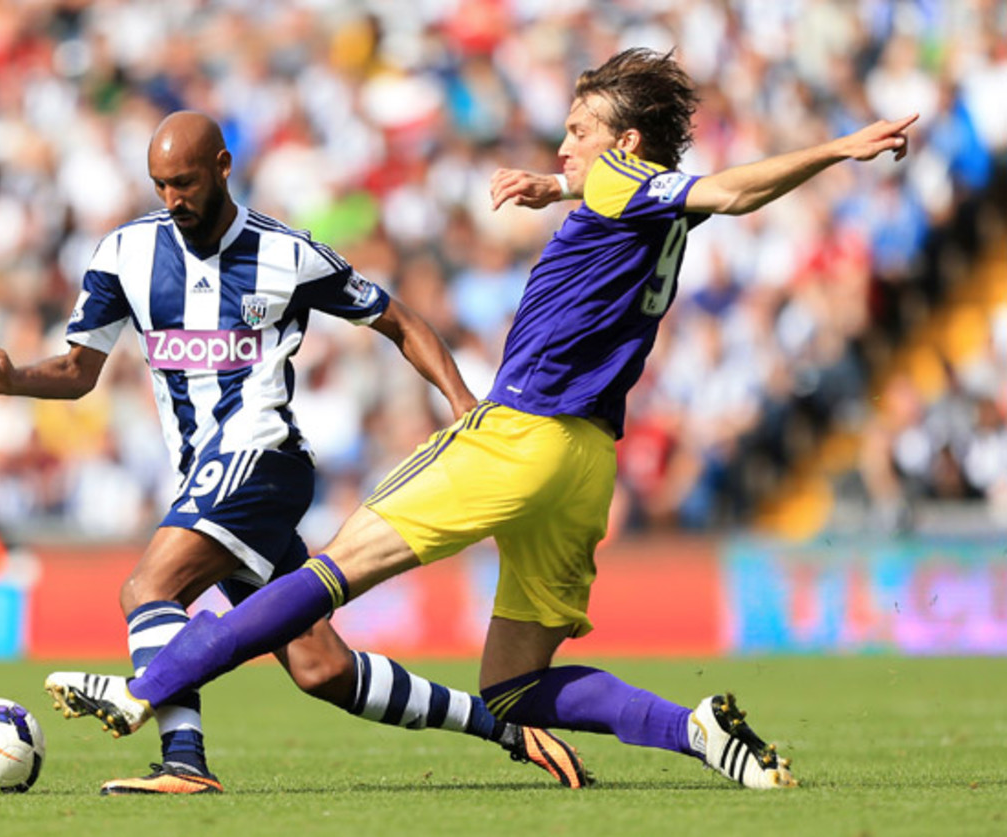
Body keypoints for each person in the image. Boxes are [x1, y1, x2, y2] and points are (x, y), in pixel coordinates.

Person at [48, 49, 918, 790]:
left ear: (624, 141)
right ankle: (698, 730)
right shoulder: (633, 199)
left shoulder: (625, 178)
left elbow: (724, 194)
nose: (563, 143)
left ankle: (146, 690)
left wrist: (838, 148)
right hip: (587, 463)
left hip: (519, 433)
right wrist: (557, 184)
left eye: (577, 131)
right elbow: (647, 204)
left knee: (329, 571)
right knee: (509, 689)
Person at [0, 111, 590, 794]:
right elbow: (81, 370)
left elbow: (399, 320)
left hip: (264, 460)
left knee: (148, 588)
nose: (173, 199)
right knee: (323, 667)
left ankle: (184, 762)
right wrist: (12, 378)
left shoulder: (285, 254)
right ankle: (506, 730)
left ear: (224, 168)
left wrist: (462, 402)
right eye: (161, 185)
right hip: (204, 476)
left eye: (186, 182)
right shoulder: (125, 255)